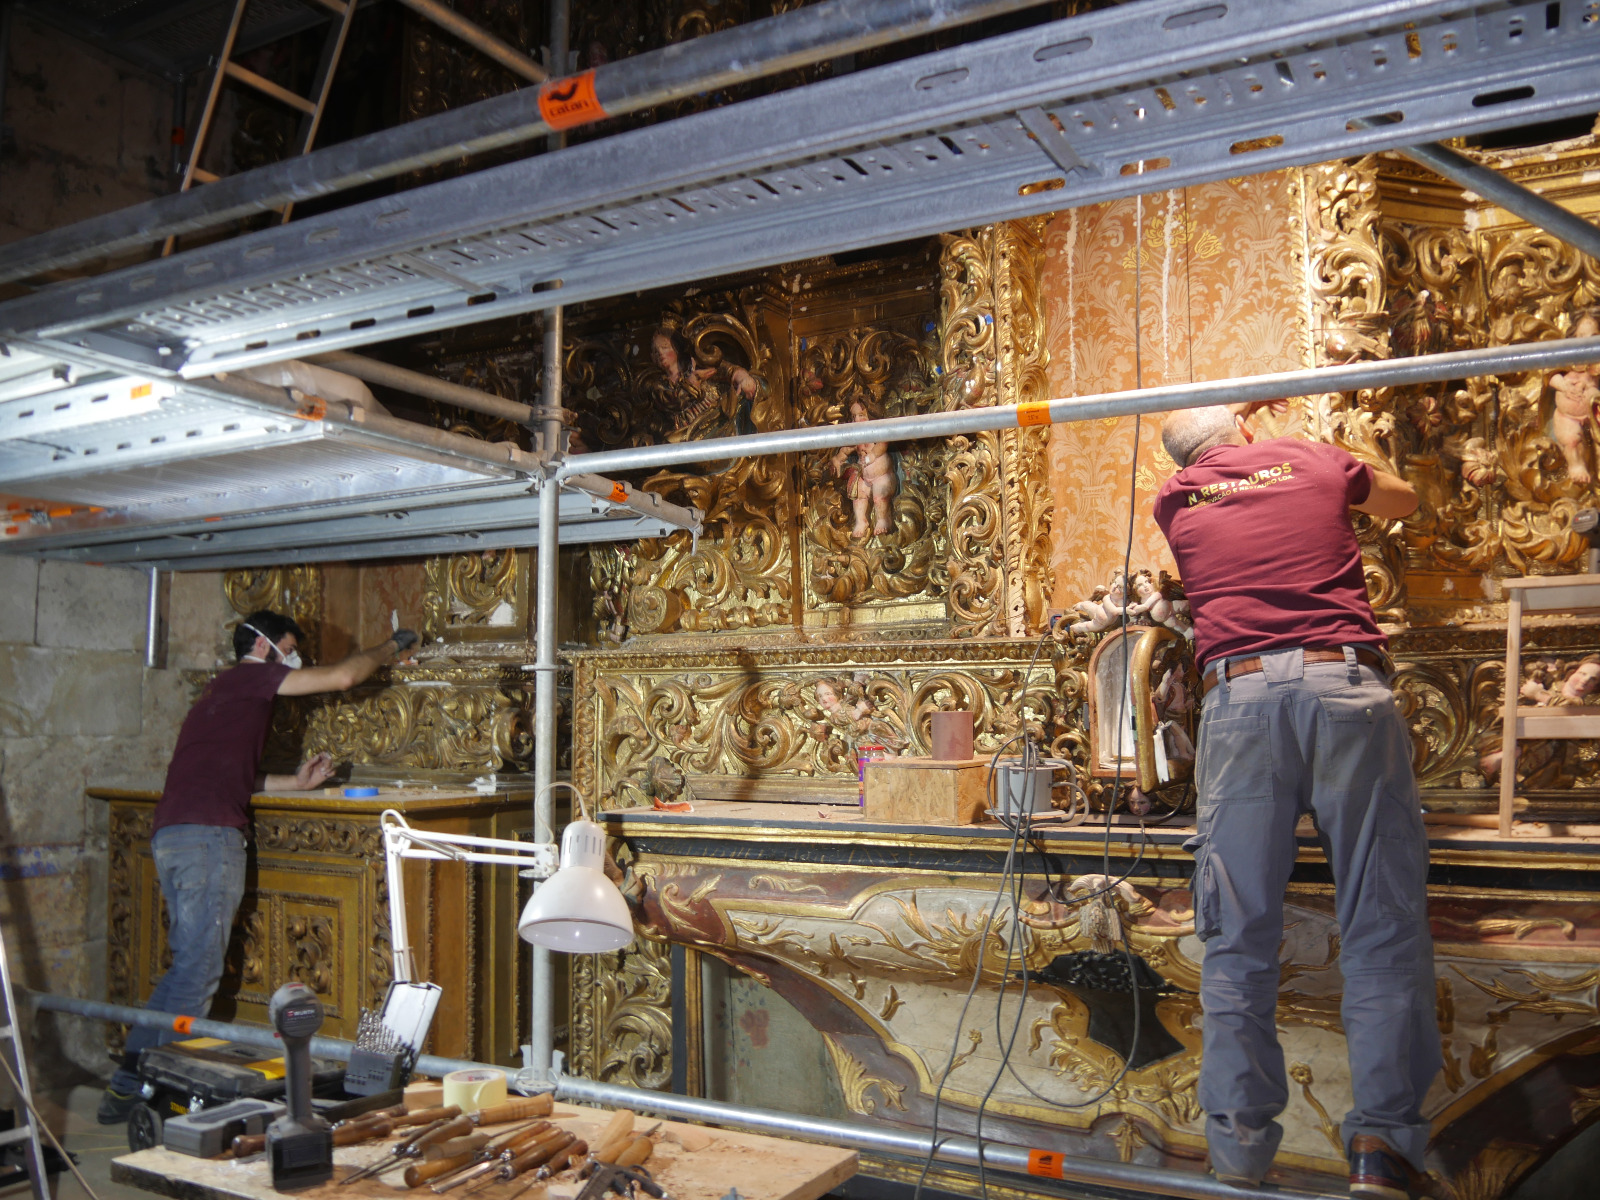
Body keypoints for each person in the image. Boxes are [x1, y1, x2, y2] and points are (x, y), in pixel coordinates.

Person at [1152, 405, 1437, 1198]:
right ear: (1244, 430)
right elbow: (1403, 500)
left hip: (1239, 704)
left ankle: (1240, 1159)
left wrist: (1254, 438)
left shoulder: (1174, 501)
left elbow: (1231, 487)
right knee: (1379, 921)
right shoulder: (1312, 461)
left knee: (1238, 939)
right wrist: (1303, 435)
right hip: (1343, 687)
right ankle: (1382, 1148)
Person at [98, 610, 419, 1124]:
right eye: (291, 648)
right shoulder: (254, 676)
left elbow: (234, 777)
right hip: (207, 838)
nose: (297, 659)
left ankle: (127, 1080)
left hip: (176, 832)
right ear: (268, 647)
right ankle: (137, 1085)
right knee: (197, 974)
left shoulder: (221, 693)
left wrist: (299, 784)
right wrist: (392, 645)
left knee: (186, 969)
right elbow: (343, 677)